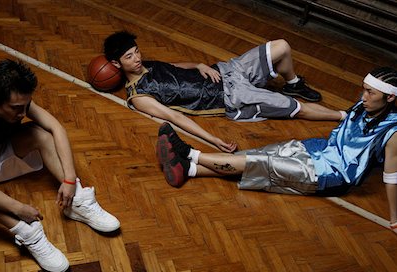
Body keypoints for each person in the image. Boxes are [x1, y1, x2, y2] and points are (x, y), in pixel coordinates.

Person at [156, 67, 397, 233]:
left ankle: (188, 153)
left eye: (370, 92)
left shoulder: (393, 132)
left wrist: (395, 219)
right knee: (257, 156)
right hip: (317, 148)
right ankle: (189, 169)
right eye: (364, 89)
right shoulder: (364, 105)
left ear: (389, 98)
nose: (362, 96)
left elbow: (391, 178)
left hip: (329, 174)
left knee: (260, 165)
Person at [0, 60, 120, 272]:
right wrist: (18, 208)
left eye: (25, 106)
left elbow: (56, 127)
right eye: (17, 108)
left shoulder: (16, 99)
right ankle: (28, 234)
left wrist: (69, 179)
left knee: (40, 134)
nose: (22, 113)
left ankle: (75, 201)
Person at [104, 31, 347, 153]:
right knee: (294, 107)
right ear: (116, 64)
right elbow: (176, 118)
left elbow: (176, 67)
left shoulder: (148, 65)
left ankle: (293, 82)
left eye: (136, 51)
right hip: (231, 97)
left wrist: (199, 65)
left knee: (281, 46)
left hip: (227, 70)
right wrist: (213, 140)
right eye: (129, 56)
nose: (137, 58)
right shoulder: (139, 95)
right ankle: (345, 115)